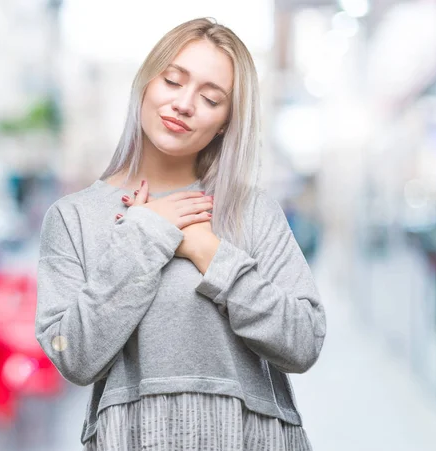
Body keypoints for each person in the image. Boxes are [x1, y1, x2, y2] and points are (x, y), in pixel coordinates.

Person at [36, 17, 326, 451]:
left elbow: (303, 341)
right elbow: (73, 354)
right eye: (173, 81)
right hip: (133, 438)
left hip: (251, 438)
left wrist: (212, 254)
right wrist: (146, 237)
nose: (184, 104)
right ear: (146, 83)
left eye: (210, 98)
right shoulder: (73, 217)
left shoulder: (251, 210)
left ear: (226, 121)